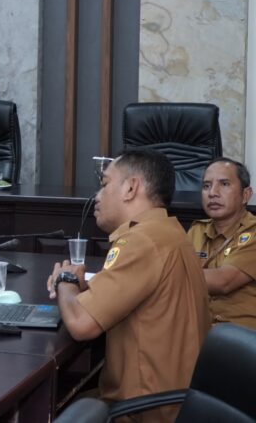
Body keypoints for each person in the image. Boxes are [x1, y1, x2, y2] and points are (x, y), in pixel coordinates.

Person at [46, 149, 210, 421]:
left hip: (144, 410)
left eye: (104, 184)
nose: (96, 196)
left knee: (51, 407)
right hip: (178, 400)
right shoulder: (169, 232)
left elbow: (80, 324)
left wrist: (65, 279)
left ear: (131, 187)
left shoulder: (141, 241)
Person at [187, 158, 256, 329]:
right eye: (206, 186)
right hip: (197, 332)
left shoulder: (254, 232)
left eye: (224, 184)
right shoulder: (196, 230)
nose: (212, 193)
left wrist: (162, 274)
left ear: (245, 195)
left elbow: (224, 282)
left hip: (241, 337)